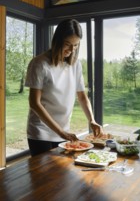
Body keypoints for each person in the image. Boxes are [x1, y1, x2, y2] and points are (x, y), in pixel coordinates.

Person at [25, 18, 104, 156]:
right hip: (41, 132)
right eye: (67, 44)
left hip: (64, 131)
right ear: (57, 40)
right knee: (42, 176)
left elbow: (82, 96)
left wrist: (91, 120)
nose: (71, 50)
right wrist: (60, 132)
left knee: (62, 175)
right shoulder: (39, 64)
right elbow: (34, 103)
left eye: (76, 45)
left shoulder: (75, 65)